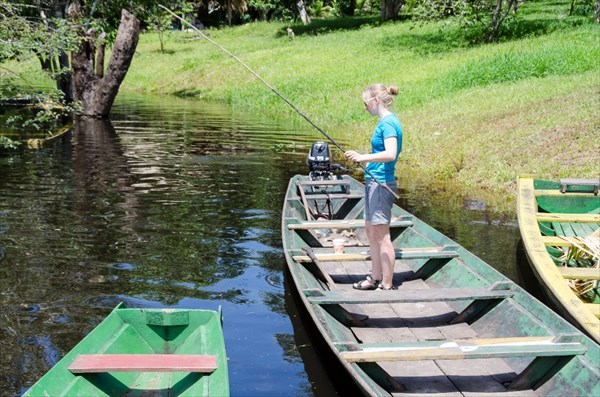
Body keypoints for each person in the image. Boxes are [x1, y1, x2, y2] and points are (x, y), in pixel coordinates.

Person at [345, 84, 402, 291]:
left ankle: (386, 283)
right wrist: (367, 162)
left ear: (375, 100)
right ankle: (375, 277)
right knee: (371, 230)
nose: (365, 107)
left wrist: (363, 157)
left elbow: (390, 153)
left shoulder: (388, 124)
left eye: (365, 103)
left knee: (382, 235)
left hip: (381, 184)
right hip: (373, 181)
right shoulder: (384, 123)